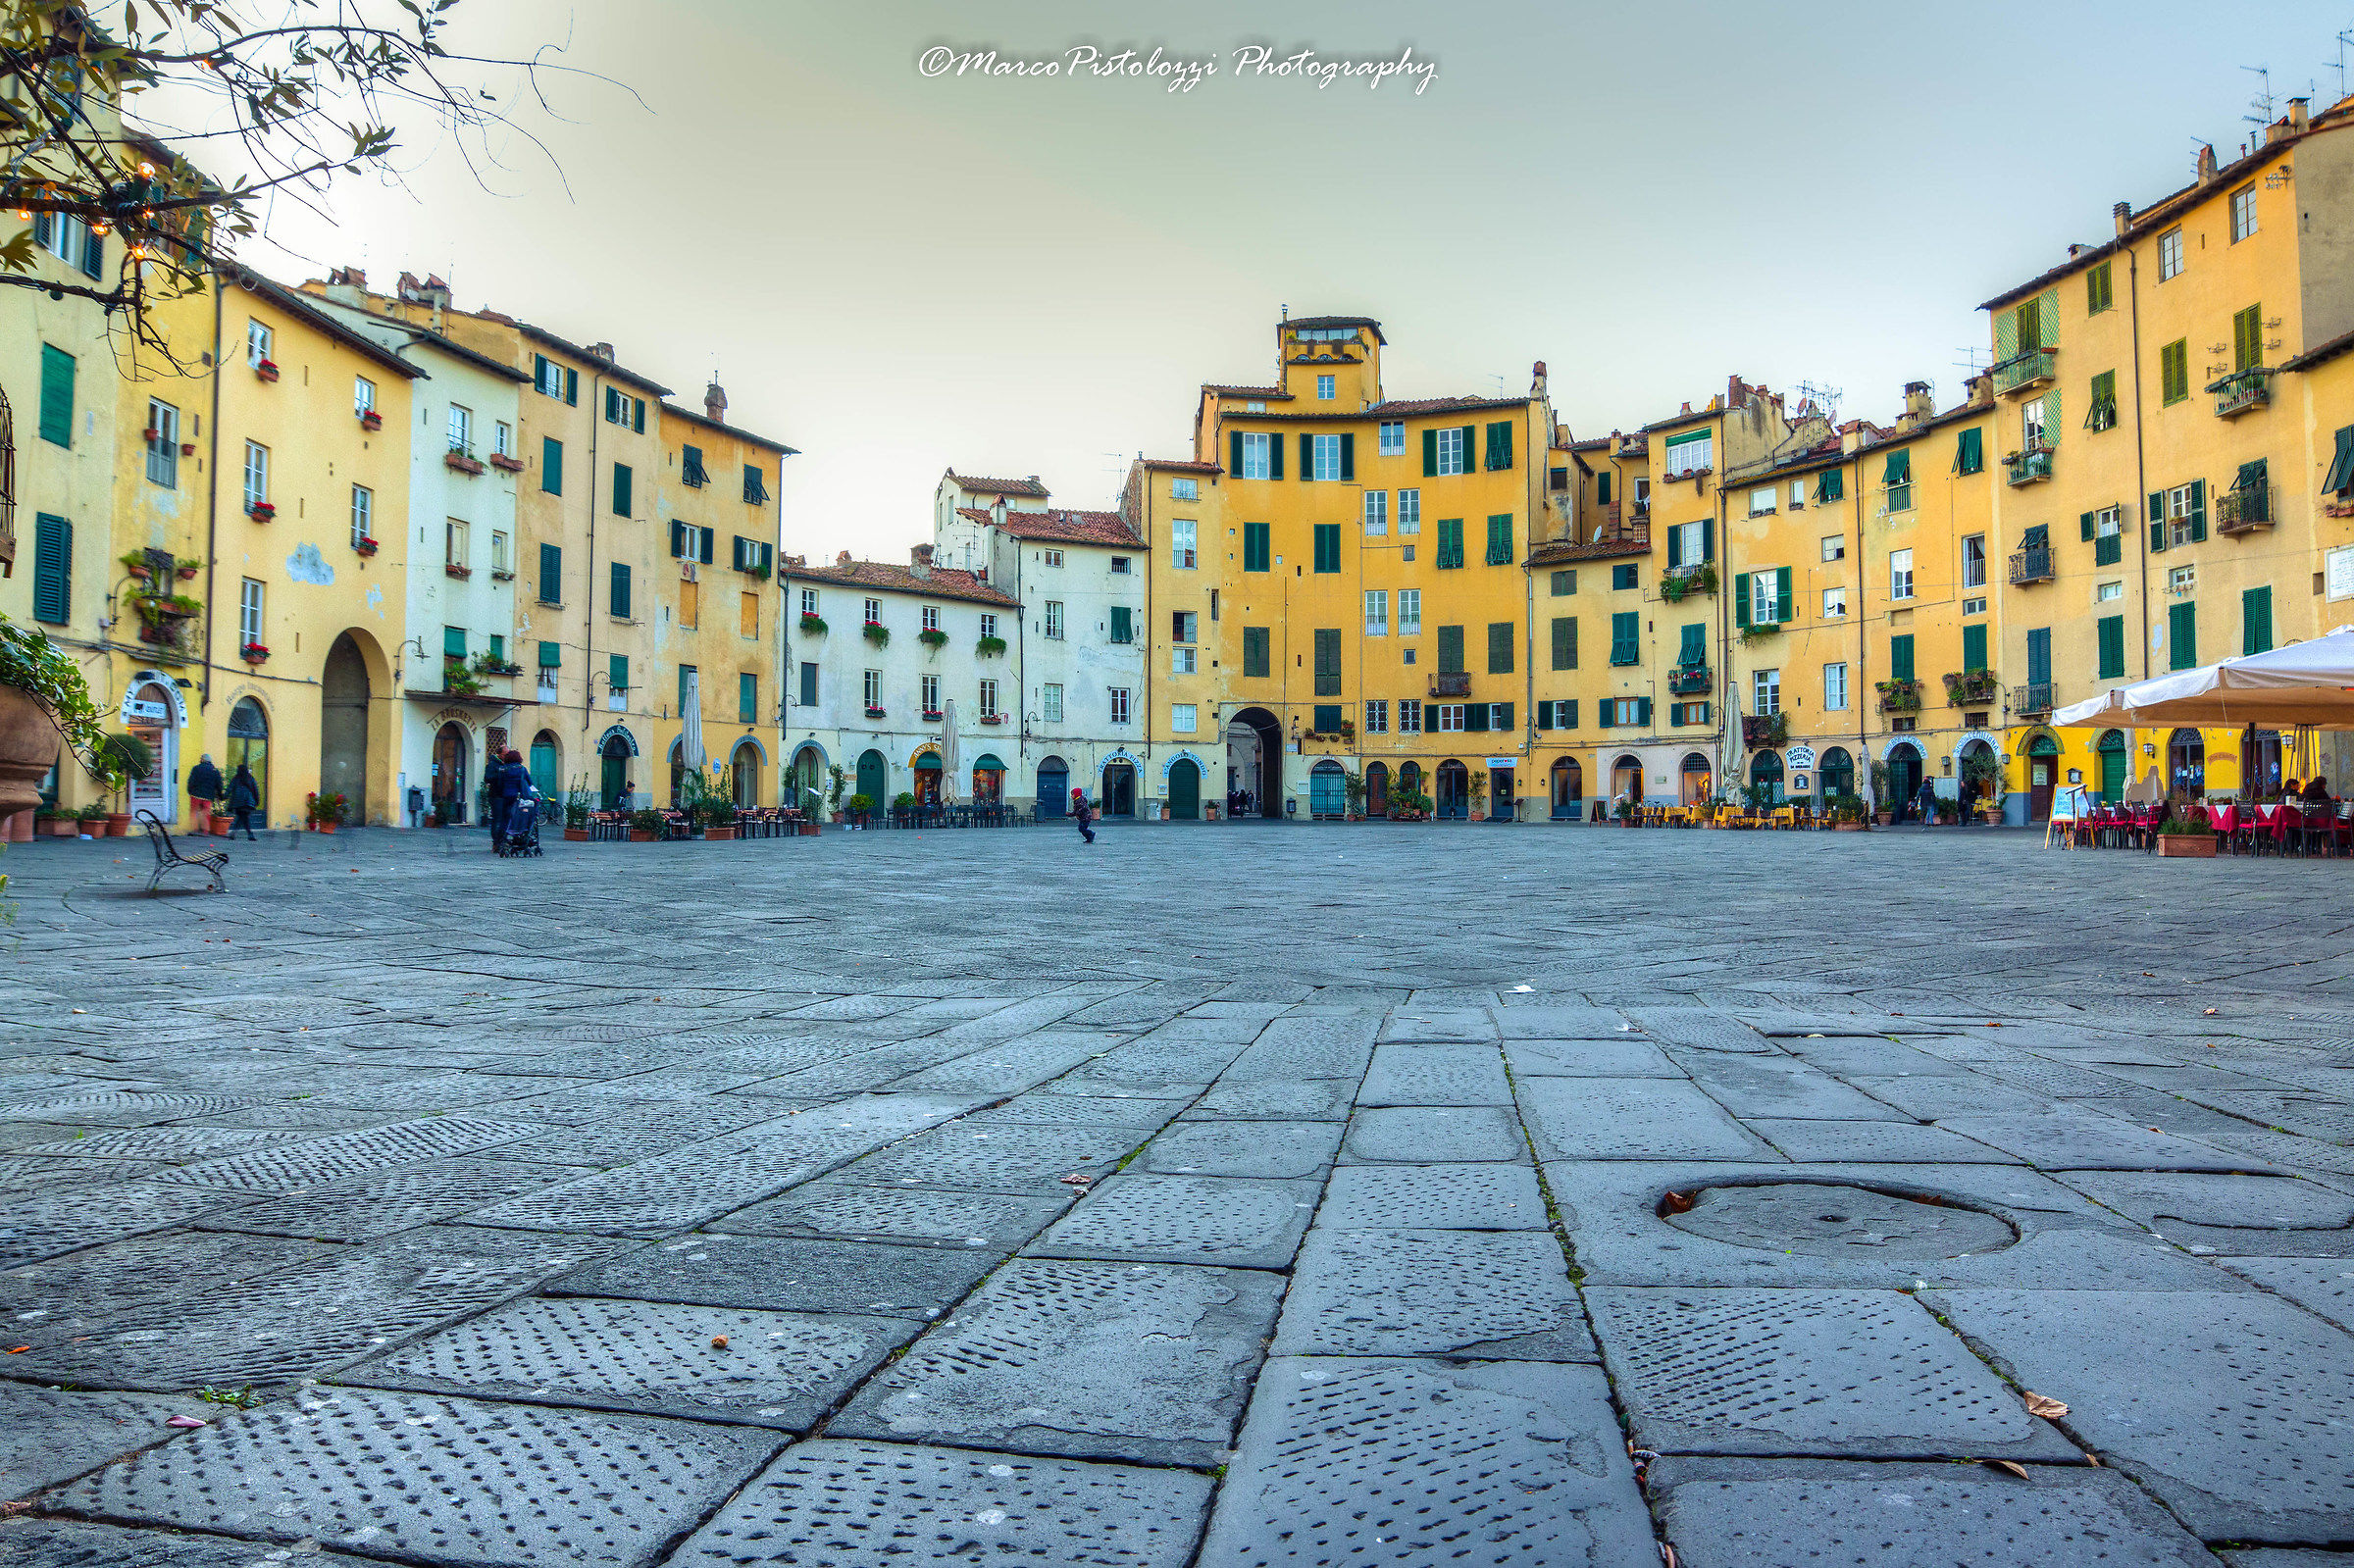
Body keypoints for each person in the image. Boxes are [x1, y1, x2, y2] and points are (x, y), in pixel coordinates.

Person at [486, 748, 525, 852]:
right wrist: (500, 774)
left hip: (505, 795)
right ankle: (496, 843)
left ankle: (502, 841)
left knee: (506, 818)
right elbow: (487, 778)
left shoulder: (507, 766)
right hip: (496, 795)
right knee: (497, 819)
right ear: (499, 755)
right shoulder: (493, 765)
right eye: (506, 754)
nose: (508, 755)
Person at [185, 753, 223, 831]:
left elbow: (191, 781)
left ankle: (193, 829)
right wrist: (220, 795)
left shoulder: (196, 768)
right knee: (205, 813)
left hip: (196, 795)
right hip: (208, 796)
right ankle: (205, 830)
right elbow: (219, 784)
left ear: (202, 760)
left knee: (194, 812)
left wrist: (190, 791)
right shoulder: (215, 771)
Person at [226, 763, 261, 840]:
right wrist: (257, 800)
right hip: (248, 802)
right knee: (244, 818)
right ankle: (249, 834)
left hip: (238, 802)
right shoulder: (250, 778)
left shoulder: (236, 778)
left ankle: (235, 833)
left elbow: (229, 788)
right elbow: (255, 790)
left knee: (242, 817)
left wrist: (224, 796)